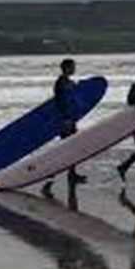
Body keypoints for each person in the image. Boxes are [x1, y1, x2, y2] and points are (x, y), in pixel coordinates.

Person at [41, 58, 86, 201]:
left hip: (70, 119)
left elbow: (73, 94)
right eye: (72, 66)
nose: (74, 69)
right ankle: (50, 174)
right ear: (66, 68)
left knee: (72, 148)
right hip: (64, 120)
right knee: (64, 149)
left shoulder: (66, 81)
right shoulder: (61, 83)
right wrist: (65, 120)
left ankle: (72, 174)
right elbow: (59, 103)